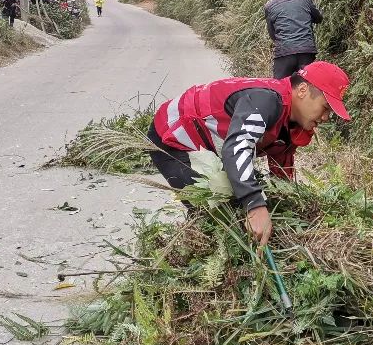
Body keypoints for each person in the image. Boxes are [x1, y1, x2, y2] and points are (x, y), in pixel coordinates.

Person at [147, 61, 350, 246]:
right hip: (172, 137)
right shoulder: (266, 101)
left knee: (239, 204)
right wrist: (255, 205)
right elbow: (237, 148)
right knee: (216, 216)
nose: (326, 117)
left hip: (211, 145)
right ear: (303, 90)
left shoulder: (294, 123)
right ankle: (191, 253)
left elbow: (281, 172)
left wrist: (286, 204)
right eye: (325, 107)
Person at [264, 0, 323, 79]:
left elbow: (272, 34)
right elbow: (318, 19)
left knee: (280, 86)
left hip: (284, 52)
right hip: (306, 51)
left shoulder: (270, 6)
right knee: (307, 84)